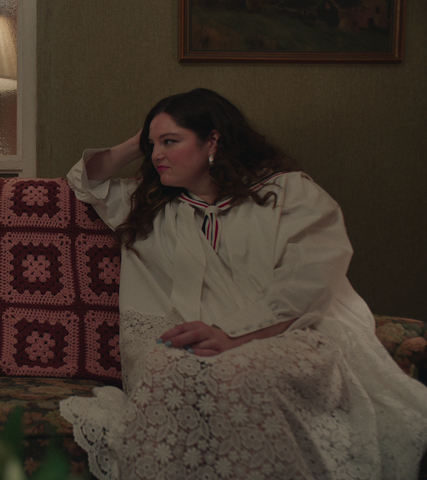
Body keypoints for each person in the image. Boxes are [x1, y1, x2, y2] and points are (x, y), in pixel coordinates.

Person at [60, 88, 427, 480]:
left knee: (233, 374)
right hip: (194, 349)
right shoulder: (151, 206)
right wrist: (145, 137)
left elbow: (309, 280)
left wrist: (234, 334)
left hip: (290, 337)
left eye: (171, 142)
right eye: (152, 146)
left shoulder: (287, 193)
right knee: (165, 365)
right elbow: (84, 179)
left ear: (213, 140)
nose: (156, 155)